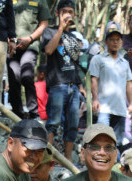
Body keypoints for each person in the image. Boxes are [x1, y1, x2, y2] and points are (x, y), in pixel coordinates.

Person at [42, 0, 85, 162]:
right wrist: (60, 28)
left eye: (71, 12)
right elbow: (49, 50)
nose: (68, 14)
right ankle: (46, 159)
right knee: (53, 122)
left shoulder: (74, 37)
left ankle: (67, 161)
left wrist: (81, 86)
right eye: (64, 11)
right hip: (57, 84)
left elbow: (76, 64)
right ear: (57, 13)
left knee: (73, 125)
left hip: (73, 86)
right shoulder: (49, 32)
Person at [89, 21, 132, 146]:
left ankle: (114, 165)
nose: (115, 42)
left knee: (117, 143)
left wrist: (131, 104)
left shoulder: (124, 63)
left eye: (118, 40)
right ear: (106, 42)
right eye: (112, 39)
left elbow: (129, 84)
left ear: (121, 43)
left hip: (120, 108)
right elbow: (94, 79)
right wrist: (95, 99)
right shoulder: (98, 59)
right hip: (104, 107)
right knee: (102, 138)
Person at [7, 0, 49, 119]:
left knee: (27, 76)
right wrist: (8, 39)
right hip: (11, 45)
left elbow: (44, 24)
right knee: (14, 76)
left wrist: (30, 39)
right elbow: (2, 18)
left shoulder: (40, 1)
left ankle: (33, 112)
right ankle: (17, 112)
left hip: (30, 45)